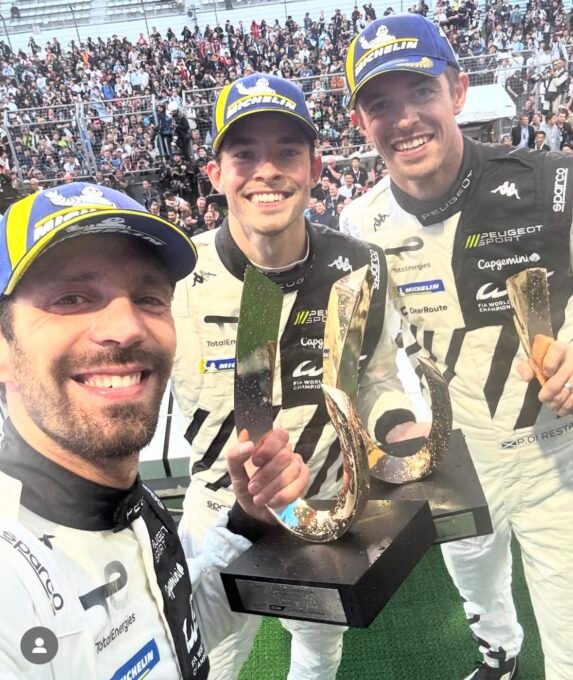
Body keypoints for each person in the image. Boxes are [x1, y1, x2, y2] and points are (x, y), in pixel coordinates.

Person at [340, 14, 573, 680]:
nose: (404, 118)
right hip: (455, 456)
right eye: (380, 103)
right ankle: (498, 654)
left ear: (459, 91)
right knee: (474, 581)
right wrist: (394, 425)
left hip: (557, 456)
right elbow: (369, 363)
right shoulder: (361, 222)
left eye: (420, 91)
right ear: (360, 122)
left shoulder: (554, 180)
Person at [0, 182, 309, 677]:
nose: (126, 327)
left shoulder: (133, 504)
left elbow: (176, 634)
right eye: (72, 298)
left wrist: (247, 523)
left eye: (148, 297)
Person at [171, 73, 411, 680]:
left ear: (314, 167)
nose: (267, 171)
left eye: (287, 152)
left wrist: (399, 428)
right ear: (216, 173)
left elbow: (378, 379)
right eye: (244, 154)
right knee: (206, 661)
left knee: (319, 650)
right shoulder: (174, 278)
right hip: (219, 513)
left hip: (324, 509)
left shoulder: (361, 265)